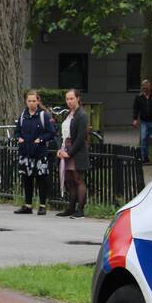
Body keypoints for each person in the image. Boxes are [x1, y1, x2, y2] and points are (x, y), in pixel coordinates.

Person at [13, 90, 56, 216]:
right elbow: (17, 131)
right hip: (25, 153)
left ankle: (42, 206)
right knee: (27, 179)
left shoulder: (43, 116)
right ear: (26, 102)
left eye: (33, 101)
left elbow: (51, 132)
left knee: (41, 179)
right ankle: (28, 205)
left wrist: (41, 139)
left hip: (39, 153)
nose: (31, 103)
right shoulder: (23, 115)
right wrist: (18, 138)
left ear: (38, 101)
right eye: (29, 101)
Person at [56, 89, 89, 219]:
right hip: (66, 147)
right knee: (69, 180)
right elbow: (62, 134)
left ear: (78, 98)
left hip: (76, 151)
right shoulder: (68, 114)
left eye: (71, 98)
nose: (69, 101)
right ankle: (70, 208)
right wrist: (60, 149)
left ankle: (80, 210)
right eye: (67, 99)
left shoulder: (82, 115)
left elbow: (81, 138)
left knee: (78, 179)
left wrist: (69, 153)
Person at [133, 79, 152, 164]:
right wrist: (135, 119)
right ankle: (144, 158)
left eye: (147, 88)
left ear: (150, 87)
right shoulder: (139, 97)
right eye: (144, 88)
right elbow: (136, 109)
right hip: (144, 121)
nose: (145, 89)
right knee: (143, 139)